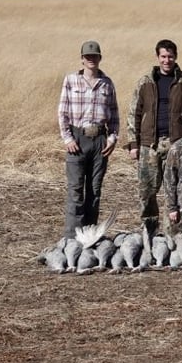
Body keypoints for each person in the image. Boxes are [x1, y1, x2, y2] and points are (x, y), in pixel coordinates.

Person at [126, 39, 182, 235]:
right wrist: (133, 144)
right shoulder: (145, 82)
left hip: (178, 145)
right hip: (148, 145)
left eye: (170, 56)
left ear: (176, 57)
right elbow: (133, 113)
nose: (167, 60)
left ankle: (176, 231)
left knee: (179, 189)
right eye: (163, 56)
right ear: (157, 57)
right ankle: (149, 232)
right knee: (147, 192)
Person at [58, 40, 120, 238]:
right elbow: (62, 113)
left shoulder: (107, 83)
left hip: (100, 140)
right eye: (88, 56)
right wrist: (68, 138)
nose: (91, 59)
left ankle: (90, 236)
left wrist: (112, 138)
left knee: (94, 191)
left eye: (95, 56)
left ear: (100, 58)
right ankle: (71, 238)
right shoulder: (70, 80)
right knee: (76, 190)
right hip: (77, 138)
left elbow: (115, 114)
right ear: (82, 59)